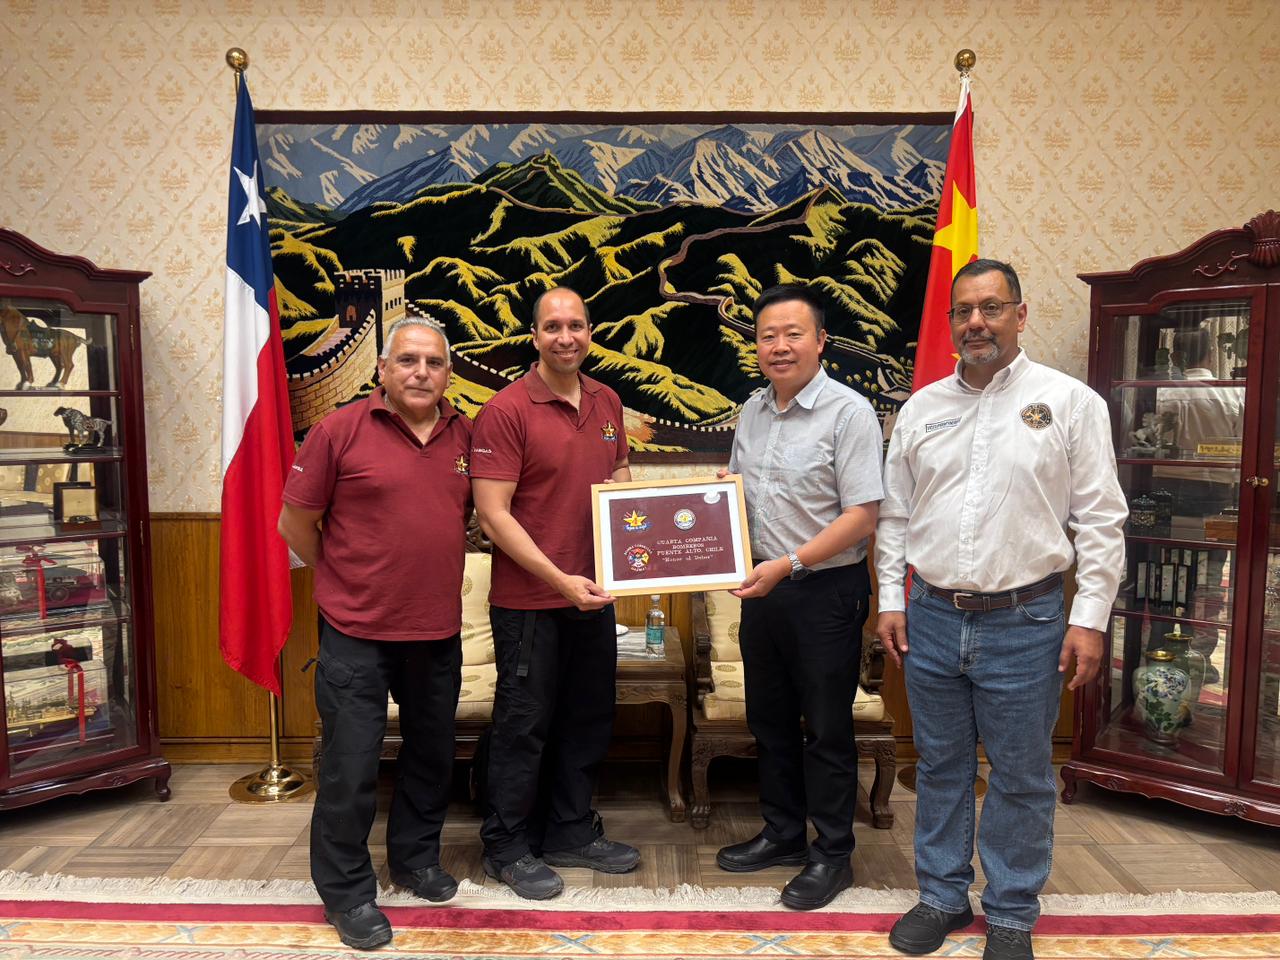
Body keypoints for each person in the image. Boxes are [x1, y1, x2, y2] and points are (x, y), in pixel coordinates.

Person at [875, 259, 1127, 960]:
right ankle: (942, 897)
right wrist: (891, 599)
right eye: (963, 311)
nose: (975, 322)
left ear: (1021, 314)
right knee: (941, 765)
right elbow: (894, 516)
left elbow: (1102, 520)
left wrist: (1091, 618)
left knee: (1020, 773)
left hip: (1029, 621)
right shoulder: (922, 408)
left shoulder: (1071, 403)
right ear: (950, 322)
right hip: (931, 616)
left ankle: (1012, 910)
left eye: (990, 308)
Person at [279, 316, 471, 950]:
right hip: (356, 632)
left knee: (429, 758)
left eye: (434, 363)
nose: (421, 372)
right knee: (351, 767)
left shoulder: (465, 434)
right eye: (408, 361)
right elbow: (295, 525)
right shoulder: (339, 430)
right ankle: (348, 893)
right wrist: (343, 576)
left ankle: (415, 861)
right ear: (383, 370)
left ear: (448, 373)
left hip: (436, 630)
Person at [714, 285, 883, 910]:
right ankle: (783, 833)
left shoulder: (848, 412)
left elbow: (863, 514)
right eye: (767, 336)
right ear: (756, 345)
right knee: (771, 722)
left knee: (828, 730)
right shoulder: (753, 411)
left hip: (824, 592)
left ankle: (832, 853)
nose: (778, 346)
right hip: (764, 590)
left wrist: (787, 564)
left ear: (819, 341)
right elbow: (737, 493)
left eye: (792, 334)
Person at [469, 286, 639, 900]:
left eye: (577, 325)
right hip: (531, 604)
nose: (566, 336)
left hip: (595, 596)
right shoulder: (506, 410)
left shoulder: (607, 399)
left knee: (587, 719)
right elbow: (494, 515)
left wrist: (638, 552)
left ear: (590, 331)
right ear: (534, 336)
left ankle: (568, 829)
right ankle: (507, 845)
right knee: (524, 726)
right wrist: (559, 579)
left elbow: (618, 478)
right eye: (552, 327)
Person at [1155, 325, 1245, 683]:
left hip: (1167, 493)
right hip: (1215, 496)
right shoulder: (1232, 395)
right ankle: (1201, 656)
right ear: (1211, 355)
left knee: (1166, 576)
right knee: (1207, 582)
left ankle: (1160, 642)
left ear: (1176, 356)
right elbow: (1243, 451)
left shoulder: (1163, 394)